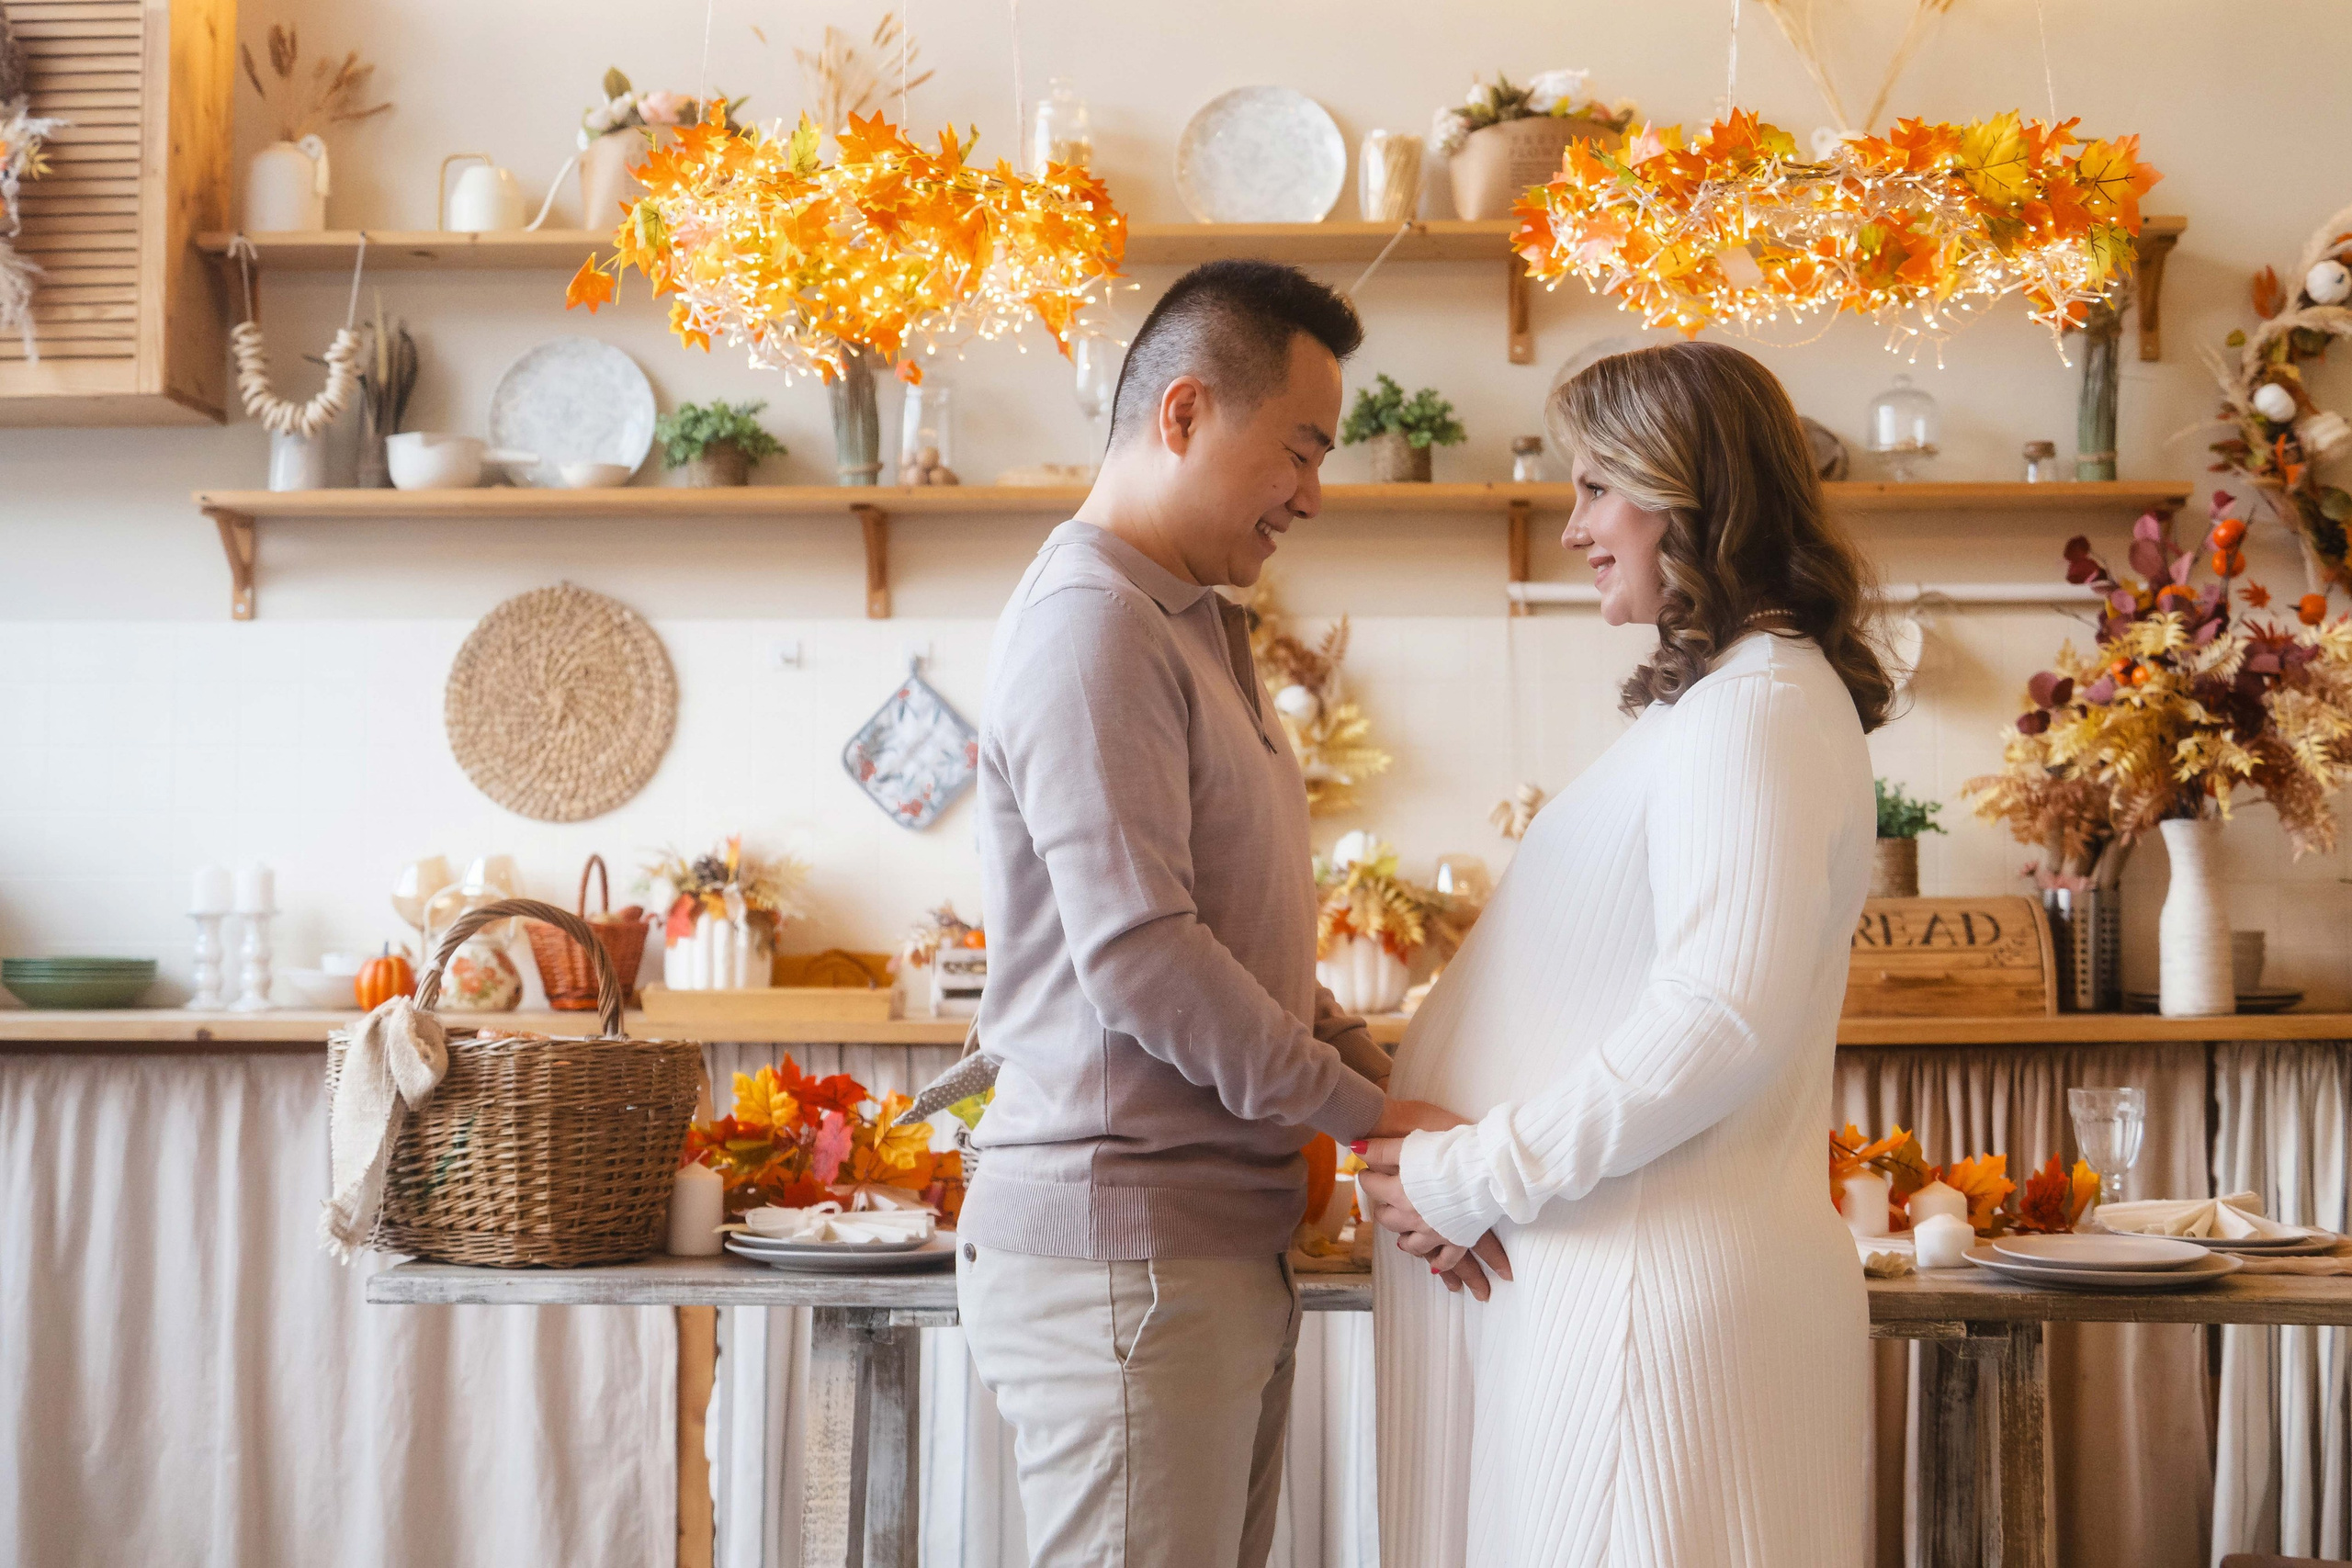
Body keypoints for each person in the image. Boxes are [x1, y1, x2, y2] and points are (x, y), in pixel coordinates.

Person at [1358, 340, 1894, 1567]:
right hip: (1623, 1296)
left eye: (1598, 487)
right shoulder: (1729, 703)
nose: (1574, 528)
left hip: (1648, 1319)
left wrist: (1473, 1174)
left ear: (1685, 491)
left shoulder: (1755, 709)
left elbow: (1718, 1014)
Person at [957, 259, 1460, 1568]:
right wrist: (1367, 1116)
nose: (1313, 494)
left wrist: (1384, 1092)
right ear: (1183, 413)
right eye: (1301, 449)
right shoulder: (1093, 625)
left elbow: (1236, 948)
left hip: (1199, 1252)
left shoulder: (1186, 623)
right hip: (1129, 1255)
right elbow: (1145, 960)